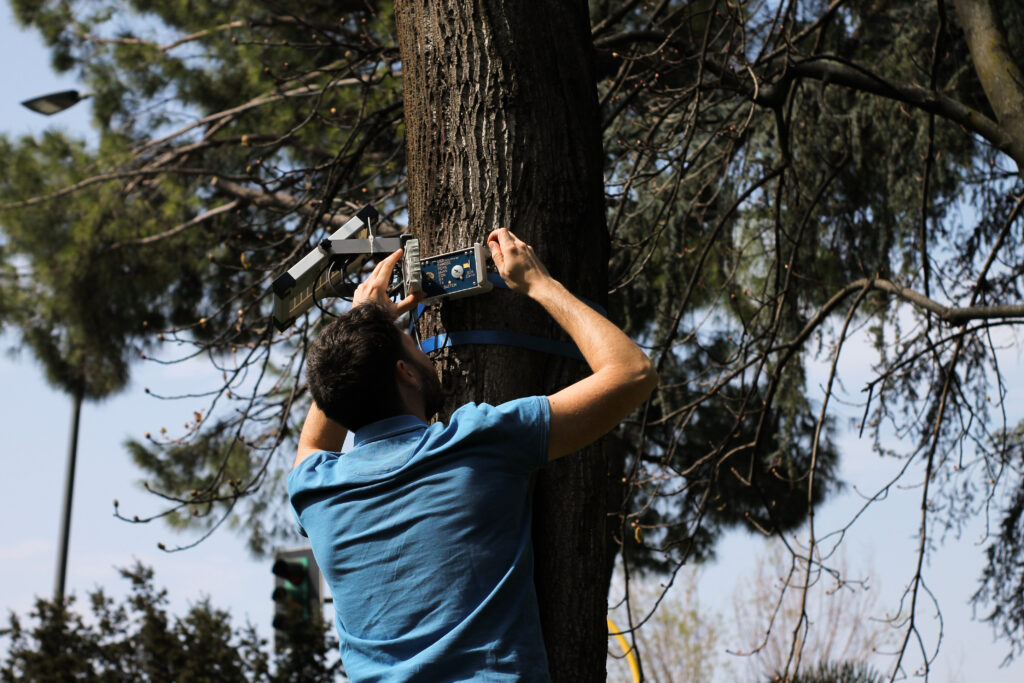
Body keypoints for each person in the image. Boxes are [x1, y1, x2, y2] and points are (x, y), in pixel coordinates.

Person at [288, 228, 658, 682]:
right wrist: (540, 284)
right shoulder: (476, 444)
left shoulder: (316, 493)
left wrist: (359, 329)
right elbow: (632, 372)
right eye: (410, 343)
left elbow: (314, 439)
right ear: (404, 373)